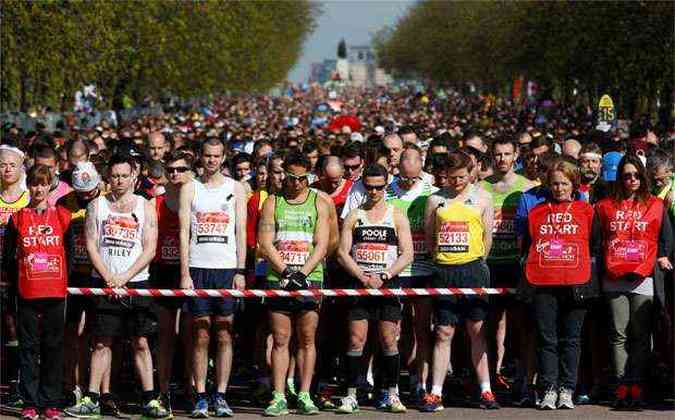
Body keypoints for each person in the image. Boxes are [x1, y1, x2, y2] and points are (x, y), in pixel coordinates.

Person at [65, 154, 169, 419]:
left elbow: (150, 248)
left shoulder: (145, 206)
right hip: (104, 283)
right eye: (114, 176)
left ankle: (150, 399)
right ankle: (91, 398)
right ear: (107, 178)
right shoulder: (97, 206)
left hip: (136, 283)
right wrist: (109, 275)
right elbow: (90, 244)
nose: (119, 181)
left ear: (134, 176)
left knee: (141, 342)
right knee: (101, 343)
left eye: (124, 176)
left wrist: (125, 277)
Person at [421, 151, 498, 411]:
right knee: (444, 331)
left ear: (472, 172)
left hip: (474, 269)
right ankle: (436, 392)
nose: (457, 182)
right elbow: (430, 236)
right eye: (452, 178)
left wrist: (477, 262)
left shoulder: (484, 198)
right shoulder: (435, 199)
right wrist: (442, 259)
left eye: (462, 177)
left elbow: (488, 237)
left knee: (477, 329)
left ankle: (486, 390)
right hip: (444, 269)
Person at [595, 154, 673, 409]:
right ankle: (621, 384)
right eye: (627, 175)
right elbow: (597, 239)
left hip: (644, 278)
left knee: (641, 335)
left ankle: (637, 383)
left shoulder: (656, 205)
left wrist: (662, 255)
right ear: (620, 178)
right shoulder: (605, 205)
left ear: (643, 176)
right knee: (618, 334)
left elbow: (666, 238)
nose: (632, 180)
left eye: (636, 175)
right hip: (613, 279)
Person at [522, 159, 601, 410]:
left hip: (576, 282)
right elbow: (528, 246)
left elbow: (595, 244)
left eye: (564, 183)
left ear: (574, 184)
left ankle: (567, 388)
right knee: (547, 339)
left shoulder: (587, 211)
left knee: (572, 339)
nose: (559, 188)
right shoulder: (536, 212)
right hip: (543, 282)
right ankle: (549, 389)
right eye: (554, 184)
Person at [336, 163, 414, 414]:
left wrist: (384, 275)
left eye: (379, 188)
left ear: (386, 185)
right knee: (356, 339)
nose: (373, 192)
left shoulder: (397, 215)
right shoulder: (354, 215)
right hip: (360, 285)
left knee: (388, 340)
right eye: (368, 187)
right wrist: (361, 276)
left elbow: (408, 254)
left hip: (387, 285)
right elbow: (341, 253)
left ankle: (392, 392)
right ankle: (350, 394)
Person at [258, 151, 331, 416]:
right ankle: (278, 395)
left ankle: (304, 394)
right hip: (280, 278)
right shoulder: (273, 202)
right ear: (283, 175)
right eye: (292, 178)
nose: (297, 183)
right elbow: (265, 243)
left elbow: (322, 243)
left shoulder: (318, 202)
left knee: (307, 339)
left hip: (310, 278)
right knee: (280, 339)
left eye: (303, 179)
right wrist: (287, 271)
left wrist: (303, 273)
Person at [179, 138, 247, 418]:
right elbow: (184, 233)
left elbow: (241, 231)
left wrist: (241, 271)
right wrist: (184, 273)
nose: (212, 161)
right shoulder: (189, 188)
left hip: (227, 268)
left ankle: (221, 394)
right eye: (207, 156)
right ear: (200, 157)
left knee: (224, 333)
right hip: (198, 267)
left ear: (223, 158)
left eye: (217, 156)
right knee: (201, 334)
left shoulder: (236, 188)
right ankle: (201, 395)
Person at [3, 165, 72, 420]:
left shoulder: (63, 216)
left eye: (43, 184)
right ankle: (30, 403)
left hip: (55, 293)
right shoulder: (18, 217)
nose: (38, 189)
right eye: (34, 184)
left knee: (53, 347)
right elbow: (8, 258)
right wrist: (13, 290)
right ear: (28, 186)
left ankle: (51, 402)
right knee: (29, 349)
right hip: (27, 293)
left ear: (50, 185)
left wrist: (66, 284)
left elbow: (70, 255)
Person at [479, 136, 534, 400]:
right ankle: (490, 376)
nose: (502, 159)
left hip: (517, 264)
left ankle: (524, 378)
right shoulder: (479, 187)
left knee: (522, 325)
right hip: (489, 264)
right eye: (498, 154)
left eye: (507, 154)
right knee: (488, 325)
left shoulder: (528, 188)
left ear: (516, 155)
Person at [385, 144, 437, 404]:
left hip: (423, 269)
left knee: (422, 328)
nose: (406, 182)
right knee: (393, 329)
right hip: (394, 269)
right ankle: (392, 383)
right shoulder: (386, 192)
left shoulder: (432, 192)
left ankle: (421, 382)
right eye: (402, 177)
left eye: (412, 177)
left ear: (421, 167)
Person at [152, 151, 194, 415]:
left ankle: (192, 390)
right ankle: (163, 390)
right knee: (166, 335)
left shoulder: (199, 197)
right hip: (162, 272)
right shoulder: (154, 201)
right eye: (170, 170)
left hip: (191, 271)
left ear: (191, 170)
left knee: (191, 335)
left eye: (180, 169)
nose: (175, 174)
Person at [58, 162, 102, 410]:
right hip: (72, 276)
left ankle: (98, 391)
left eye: (90, 190)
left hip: (99, 276)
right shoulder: (64, 203)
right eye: (80, 191)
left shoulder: (106, 200)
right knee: (71, 333)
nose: (85, 195)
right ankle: (71, 385)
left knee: (98, 336)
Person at [0, 144, 30, 407]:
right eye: (2, 164)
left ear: (22, 167)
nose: (7, 169)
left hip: (18, 272)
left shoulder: (29, 198)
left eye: (12, 164)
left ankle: (15, 383)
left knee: (14, 327)